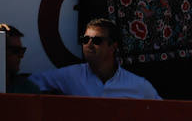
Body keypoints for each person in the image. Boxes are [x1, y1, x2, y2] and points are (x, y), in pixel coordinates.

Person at [28, 19, 159, 99]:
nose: (89, 44)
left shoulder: (139, 86)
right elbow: (27, 85)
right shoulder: (70, 76)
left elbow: (164, 112)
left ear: (113, 47)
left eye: (97, 40)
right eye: (85, 39)